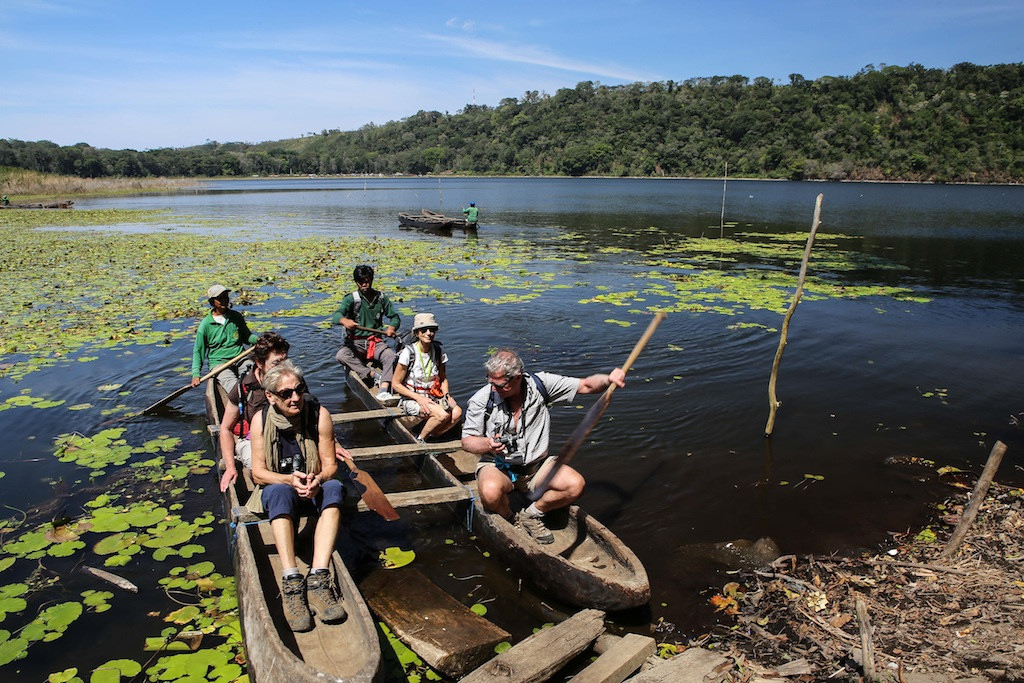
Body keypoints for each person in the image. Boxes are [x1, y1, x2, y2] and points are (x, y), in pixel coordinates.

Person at [461, 349, 625, 545]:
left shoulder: (541, 385)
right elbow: (467, 441)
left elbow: (587, 385)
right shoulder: (482, 399)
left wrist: (608, 380)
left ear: (517, 378)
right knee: (489, 493)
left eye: (500, 385)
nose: (493, 389)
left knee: (575, 485)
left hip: (537, 467)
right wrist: (488, 443)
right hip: (499, 467)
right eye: (490, 382)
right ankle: (511, 518)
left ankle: (532, 514)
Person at [250, 361, 349, 632]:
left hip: (313, 482)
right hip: (282, 485)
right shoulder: (260, 420)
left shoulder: (319, 415)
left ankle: (319, 577)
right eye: (286, 393)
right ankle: (292, 581)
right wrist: (288, 479)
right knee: (279, 492)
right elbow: (258, 473)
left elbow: (330, 465)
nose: (295, 398)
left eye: (299, 389)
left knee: (335, 488)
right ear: (270, 396)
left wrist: (317, 480)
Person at [217, 331, 290, 492]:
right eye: (276, 363)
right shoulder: (245, 387)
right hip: (253, 441)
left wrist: (331, 445)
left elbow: (313, 413)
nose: (283, 369)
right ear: (259, 362)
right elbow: (226, 428)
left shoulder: (292, 381)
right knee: (265, 467)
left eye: (285, 361)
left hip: (287, 435)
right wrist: (230, 466)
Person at [331, 265, 401, 403]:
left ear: (372, 280)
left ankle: (383, 390)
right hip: (355, 343)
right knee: (341, 355)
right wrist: (344, 321)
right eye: (361, 282)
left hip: (375, 342)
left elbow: (395, 317)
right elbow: (336, 316)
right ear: (356, 282)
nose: (365, 285)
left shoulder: (381, 298)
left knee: (391, 356)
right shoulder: (351, 299)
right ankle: (371, 374)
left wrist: (391, 327)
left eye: (367, 281)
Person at [391, 313, 463, 442]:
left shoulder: (439, 350)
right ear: (417, 333)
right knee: (441, 415)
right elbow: (396, 384)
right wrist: (419, 398)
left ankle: (433, 434)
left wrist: (447, 396)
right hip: (412, 398)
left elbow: (443, 378)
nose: (428, 333)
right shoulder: (409, 353)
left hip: (433, 396)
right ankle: (420, 439)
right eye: (424, 330)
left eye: (432, 330)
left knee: (457, 412)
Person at [191, 284, 257, 395]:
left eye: (225, 297)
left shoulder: (236, 317)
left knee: (253, 378)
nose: (224, 300)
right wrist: (196, 374)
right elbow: (198, 351)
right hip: (219, 363)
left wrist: (259, 340)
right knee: (234, 388)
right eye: (220, 298)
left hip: (239, 357)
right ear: (212, 302)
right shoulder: (205, 325)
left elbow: (247, 337)